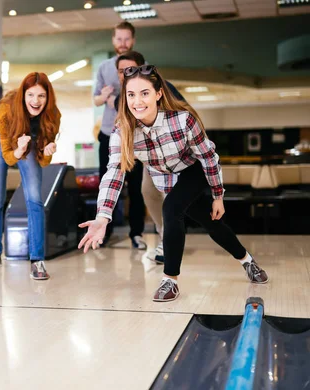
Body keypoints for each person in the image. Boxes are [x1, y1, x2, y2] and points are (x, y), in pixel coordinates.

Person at [78, 65, 269, 302]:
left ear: (158, 93)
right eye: (131, 94)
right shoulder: (123, 131)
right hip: (167, 181)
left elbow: (208, 157)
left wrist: (218, 195)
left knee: (170, 210)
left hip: (193, 171)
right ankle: (248, 262)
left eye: (144, 93)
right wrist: (103, 216)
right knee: (211, 223)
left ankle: (170, 280)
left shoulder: (183, 120)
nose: (137, 101)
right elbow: (114, 172)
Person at [0, 72, 61, 280]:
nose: (36, 101)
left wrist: (48, 150)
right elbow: (9, 157)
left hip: (30, 140)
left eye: (41, 96)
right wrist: (19, 149)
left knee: (35, 199)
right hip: (1, 142)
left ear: (48, 97)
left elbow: (43, 161)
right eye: (31, 95)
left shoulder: (53, 115)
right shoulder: (6, 108)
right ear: (23, 95)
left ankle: (37, 260)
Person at [114, 51, 186, 264]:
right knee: (147, 191)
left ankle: (169, 238)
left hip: (175, 153)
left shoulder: (164, 87)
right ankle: (164, 231)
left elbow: (184, 113)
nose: (125, 74)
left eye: (130, 69)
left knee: (169, 197)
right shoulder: (122, 97)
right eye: (121, 71)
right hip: (150, 155)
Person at [94, 21, 147, 250]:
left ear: (132, 40)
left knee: (136, 188)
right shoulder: (104, 68)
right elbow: (95, 99)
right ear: (113, 40)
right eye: (119, 39)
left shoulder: (144, 67)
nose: (122, 43)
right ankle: (103, 231)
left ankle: (137, 233)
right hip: (109, 133)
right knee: (106, 184)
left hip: (136, 136)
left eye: (127, 39)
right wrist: (104, 96)